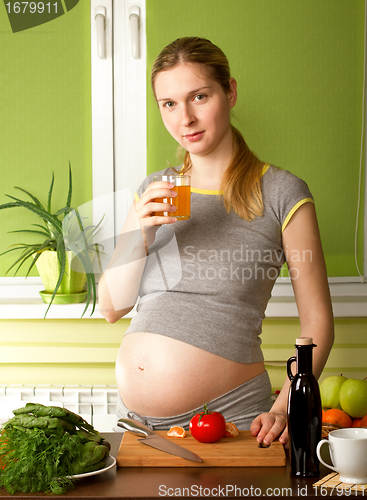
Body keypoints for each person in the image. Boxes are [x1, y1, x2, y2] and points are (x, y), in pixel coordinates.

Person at [98, 37, 334, 447]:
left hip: (232, 420)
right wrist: (140, 231)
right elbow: (112, 308)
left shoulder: (281, 193)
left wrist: (284, 407)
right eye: (168, 104)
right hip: (137, 426)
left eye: (199, 97)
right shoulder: (155, 189)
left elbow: (318, 323)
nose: (185, 118)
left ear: (231, 92)